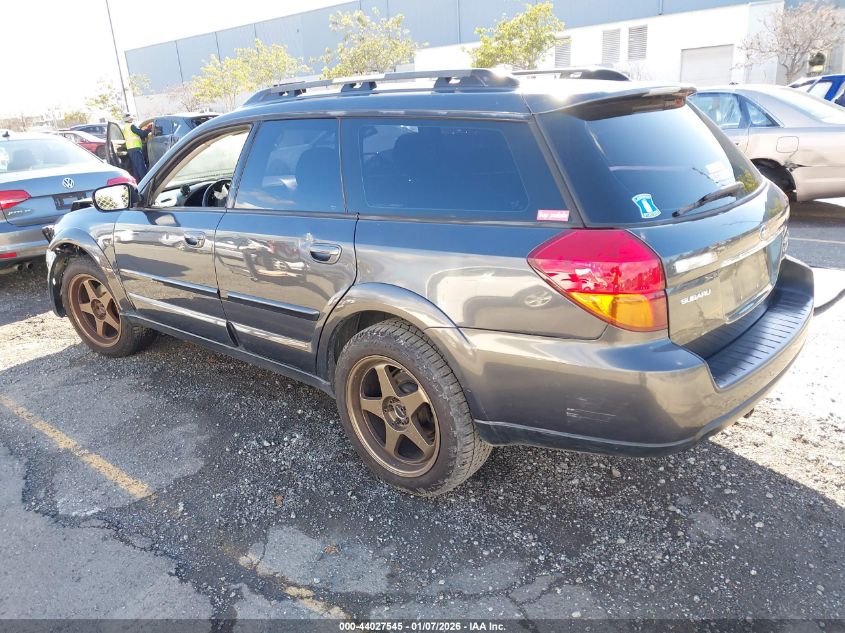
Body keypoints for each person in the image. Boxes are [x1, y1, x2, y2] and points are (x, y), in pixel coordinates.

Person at [121, 113, 151, 181]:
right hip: (135, 148)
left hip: (130, 149)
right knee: (141, 167)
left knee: (136, 169)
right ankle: (146, 182)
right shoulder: (131, 126)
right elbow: (141, 133)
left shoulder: (125, 127)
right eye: (131, 118)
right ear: (129, 119)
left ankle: (138, 184)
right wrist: (149, 130)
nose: (132, 119)